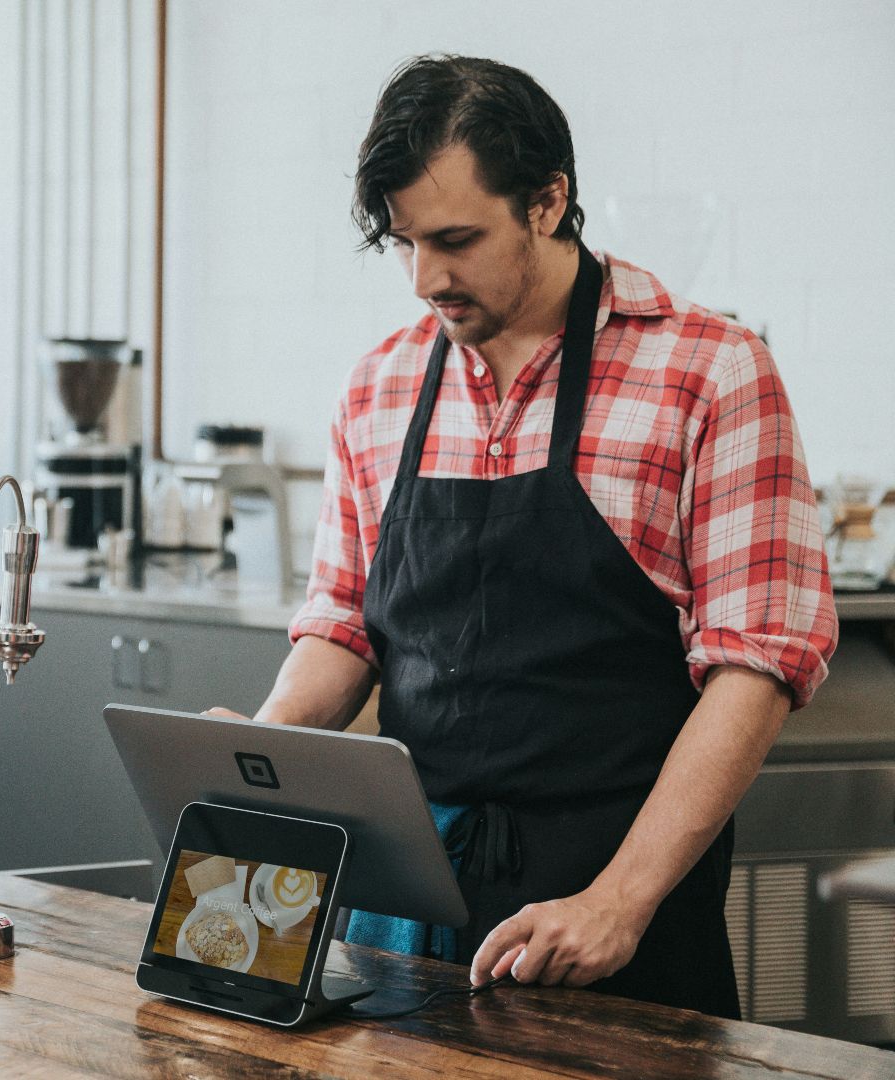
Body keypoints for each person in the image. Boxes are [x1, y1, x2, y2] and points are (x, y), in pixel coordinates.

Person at [219, 56, 836, 1017]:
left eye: (456, 239)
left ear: (548, 202)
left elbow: (755, 668)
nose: (427, 278)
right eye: (403, 243)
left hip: (610, 912)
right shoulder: (378, 387)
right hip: (404, 911)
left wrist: (618, 903)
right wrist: (262, 751)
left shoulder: (710, 374)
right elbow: (345, 625)